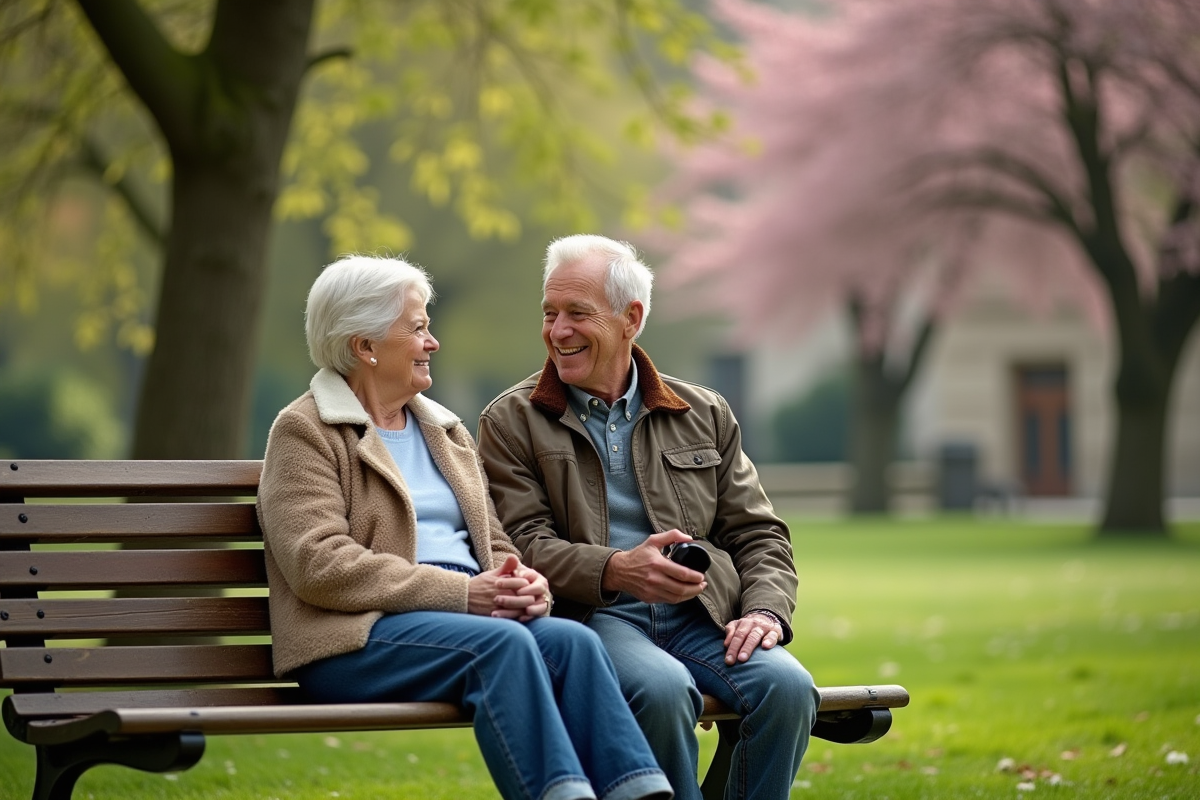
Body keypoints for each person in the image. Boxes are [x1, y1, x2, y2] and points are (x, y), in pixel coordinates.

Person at [257, 254, 673, 800]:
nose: (433, 343)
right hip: (354, 641)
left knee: (575, 642)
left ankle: (637, 791)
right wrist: (463, 594)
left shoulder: (444, 430)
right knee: (503, 646)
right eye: (419, 328)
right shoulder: (305, 430)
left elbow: (493, 542)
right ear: (365, 346)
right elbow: (319, 566)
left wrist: (523, 583)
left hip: (469, 624)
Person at [477, 235, 819, 800]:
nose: (557, 331)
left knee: (788, 688)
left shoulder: (703, 411)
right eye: (550, 313)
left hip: (703, 616)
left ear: (630, 318)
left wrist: (764, 611)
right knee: (661, 691)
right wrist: (616, 569)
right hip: (593, 620)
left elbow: (758, 533)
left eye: (577, 314)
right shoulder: (511, 420)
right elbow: (519, 545)